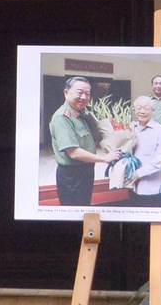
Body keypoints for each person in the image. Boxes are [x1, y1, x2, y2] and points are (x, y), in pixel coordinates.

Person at [47, 76, 114, 208]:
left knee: (84, 206)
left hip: (85, 172)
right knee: (74, 211)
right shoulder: (62, 118)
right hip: (72, 176)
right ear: (66, 93)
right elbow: (74, 153)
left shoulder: (81, 113)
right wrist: (105, 158)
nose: (83, 97)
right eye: (79, 93)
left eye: (87, 94)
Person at [121, 96, 161, 207]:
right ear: (134, 110)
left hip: (151, 185)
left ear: (152, 111)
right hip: (131, 183)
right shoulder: (131, 128)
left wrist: (138, 173)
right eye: (139, 108)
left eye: (146, 108)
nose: (142, 111)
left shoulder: (160, 131)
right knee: (135, 220)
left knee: (152, 219)